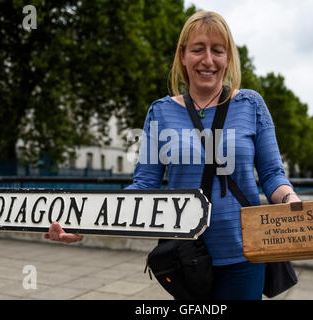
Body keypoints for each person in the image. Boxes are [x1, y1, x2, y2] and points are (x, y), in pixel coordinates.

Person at [45, 10, 300, 300]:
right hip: (184, 257)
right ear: (182, 56)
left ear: (228, 58)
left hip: (246, 254)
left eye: (218, 50)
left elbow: (271, 175)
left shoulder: (252, 104)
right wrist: (84, 225)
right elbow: (144, 186)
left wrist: (291, 201)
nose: (208, 60)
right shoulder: (160, 111)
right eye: (198, 49)